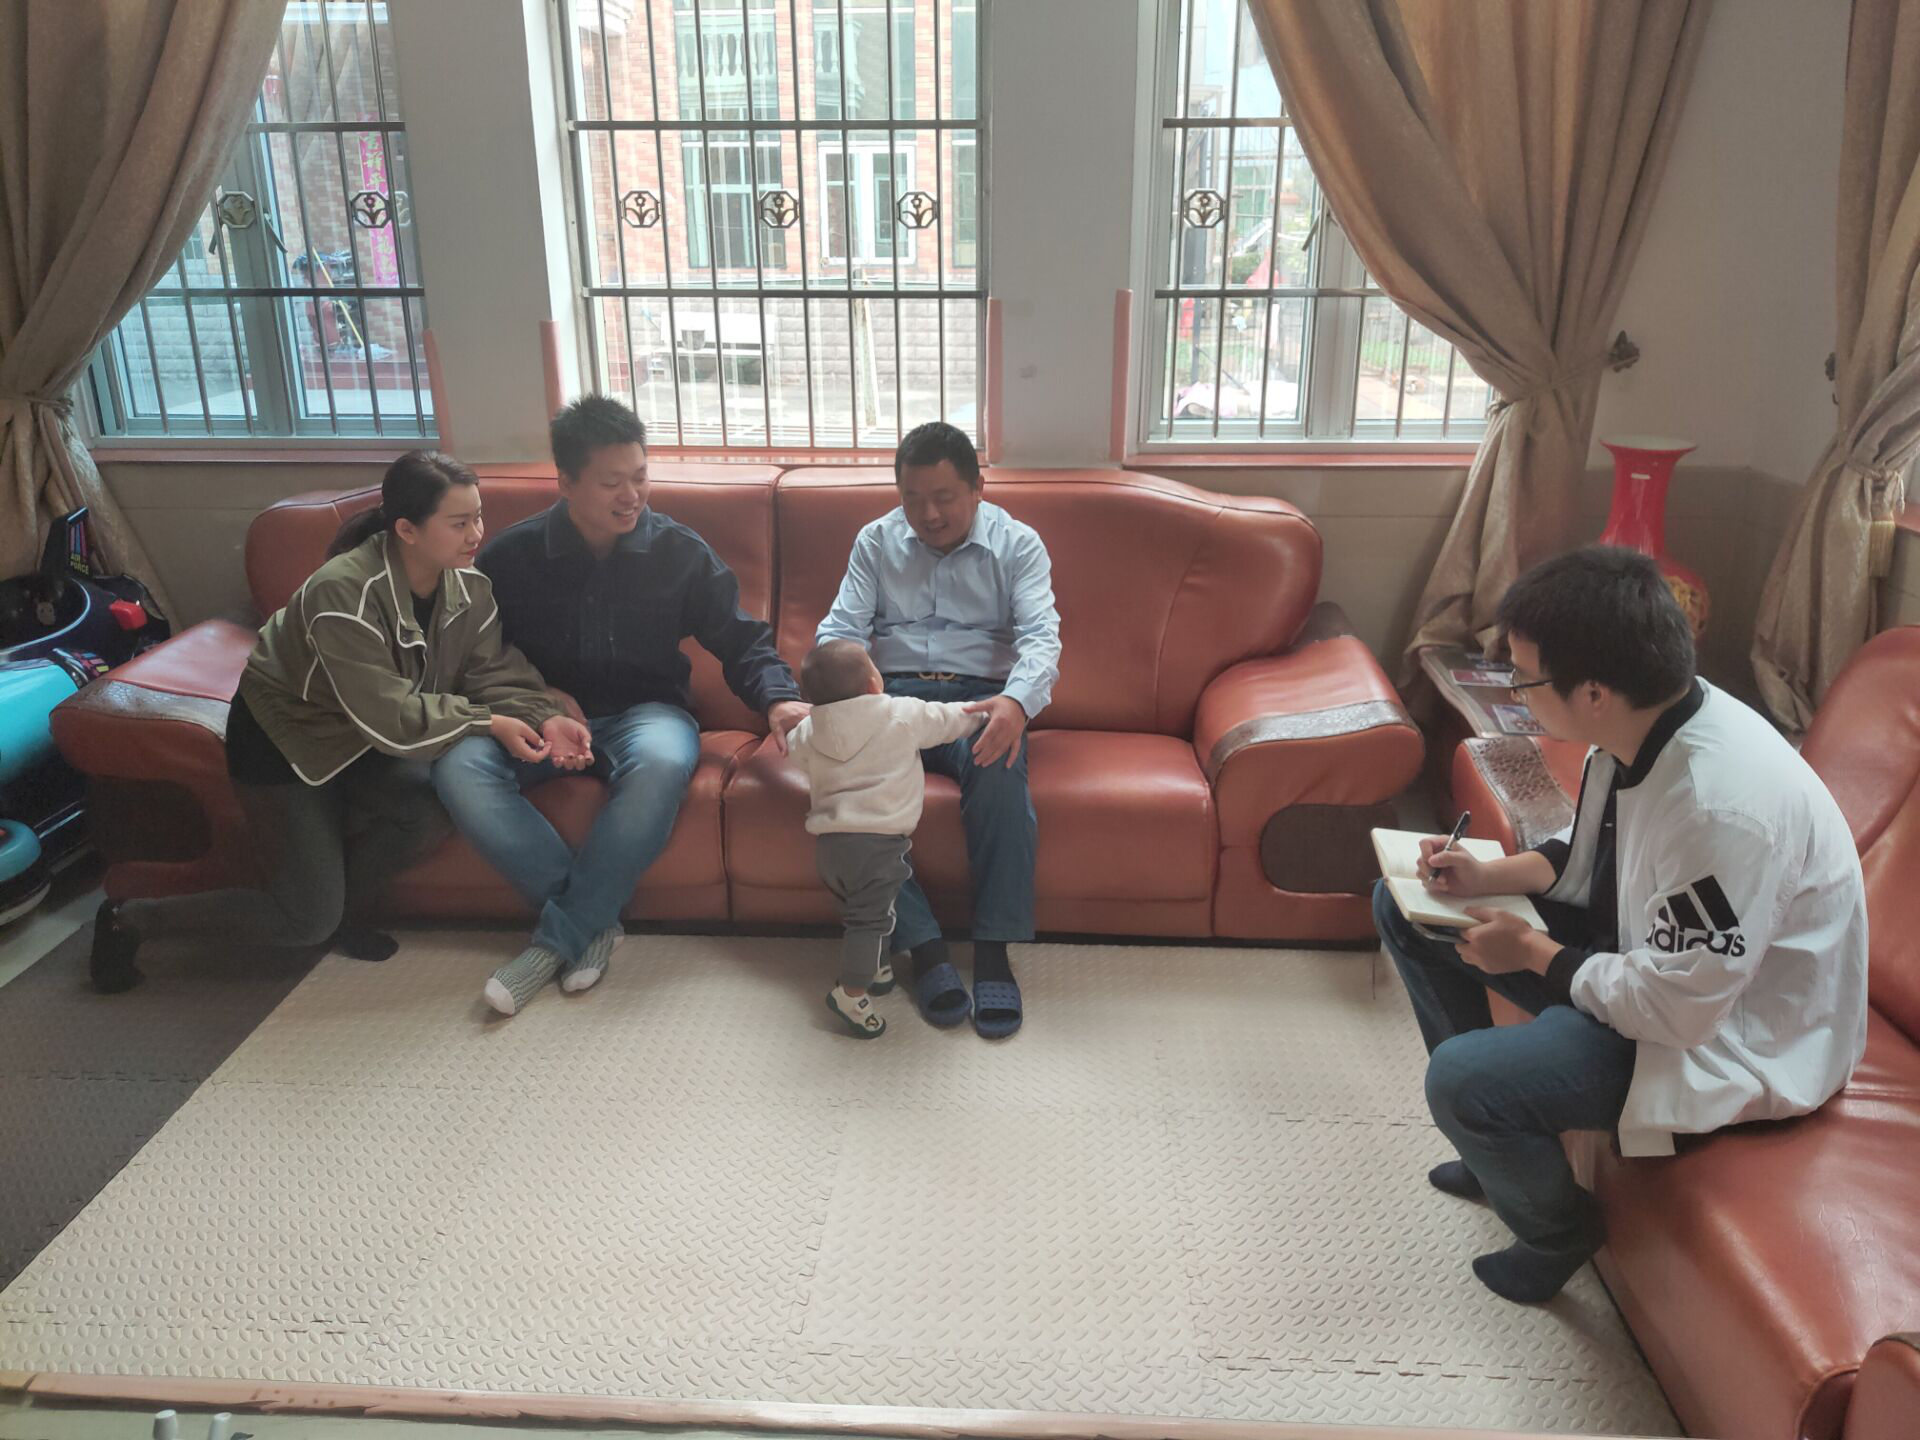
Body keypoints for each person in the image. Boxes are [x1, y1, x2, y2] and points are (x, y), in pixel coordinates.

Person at [1376, 546, 1868, 1303]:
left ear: (1594, 692)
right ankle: (1493, 1151)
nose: (1516, 693)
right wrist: (1486, 875)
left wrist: (1533, 952)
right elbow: (1593, 849)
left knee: (1464, 1082)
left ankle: (1556, 1230)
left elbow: (1678, 1008)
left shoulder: (1719, 808)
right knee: (1408, 909)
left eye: (1524, 679)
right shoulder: (1651, 718)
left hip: (1728, 1034)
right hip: (1654, 963)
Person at [89, 451, 582, 994]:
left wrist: (546, 716)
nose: (477, 535)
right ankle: (131, 919)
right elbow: (389, 716)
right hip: (288, 742)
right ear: (407, 530)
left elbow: (492, 669)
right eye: (459, 523)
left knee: (427, 811)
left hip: (367, 735)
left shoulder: (469, 588)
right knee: (305, 922)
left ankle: (343, 907)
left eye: (479, 517)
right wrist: (489, 721)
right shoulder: (342, 592)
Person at [432, 396, 808, 1016]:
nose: (631, 495)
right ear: (567, 482)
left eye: (640, 476)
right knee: (458, 767)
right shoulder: (511, 557)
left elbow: (742, 640)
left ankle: (556, 940)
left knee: (662, 761)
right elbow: (480, 655)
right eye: (612, 483)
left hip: (647, 713)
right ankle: (592, 924)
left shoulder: (679, 552)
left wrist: (780, 700)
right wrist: (540, 703)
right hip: (544, 717)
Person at [816, 421, 1060, 1039]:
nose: (928, 515)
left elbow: (1041, 638)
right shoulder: (875, 542)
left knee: (1000, 774)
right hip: (890, 696)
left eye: (944, 497)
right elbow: (839, 631)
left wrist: (1017, 703)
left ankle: (994, 949)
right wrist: (845, 699)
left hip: (980, 698)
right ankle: (924, 948)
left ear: (978, 489)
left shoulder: (1018, 544)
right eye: (913, 499)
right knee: (849, 798)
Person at [788, 639, 985, 1038]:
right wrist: (984, 711)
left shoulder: (808, 729)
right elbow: (949, 720)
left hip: (830, 845)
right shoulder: (898, 712)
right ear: (874, 683)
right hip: (878, 844)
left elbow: (796, 753)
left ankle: (878, 969)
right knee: (871, 920)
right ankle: (852, 993)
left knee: (858, 910)